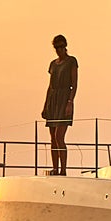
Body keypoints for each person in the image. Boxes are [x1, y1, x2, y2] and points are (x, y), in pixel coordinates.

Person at [43, 34, 78, 175]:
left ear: (65, 46)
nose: (59, 49)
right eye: (56, 47)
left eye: (61, 47)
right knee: (52, 137)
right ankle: (55, 168)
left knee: (59, 137)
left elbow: (74, 84)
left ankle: (63, 169)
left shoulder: (71, 61)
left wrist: (70, 101)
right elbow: (50, 86)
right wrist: (45, 105)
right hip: (53, 100)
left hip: (65, 99)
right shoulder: (52, 64)